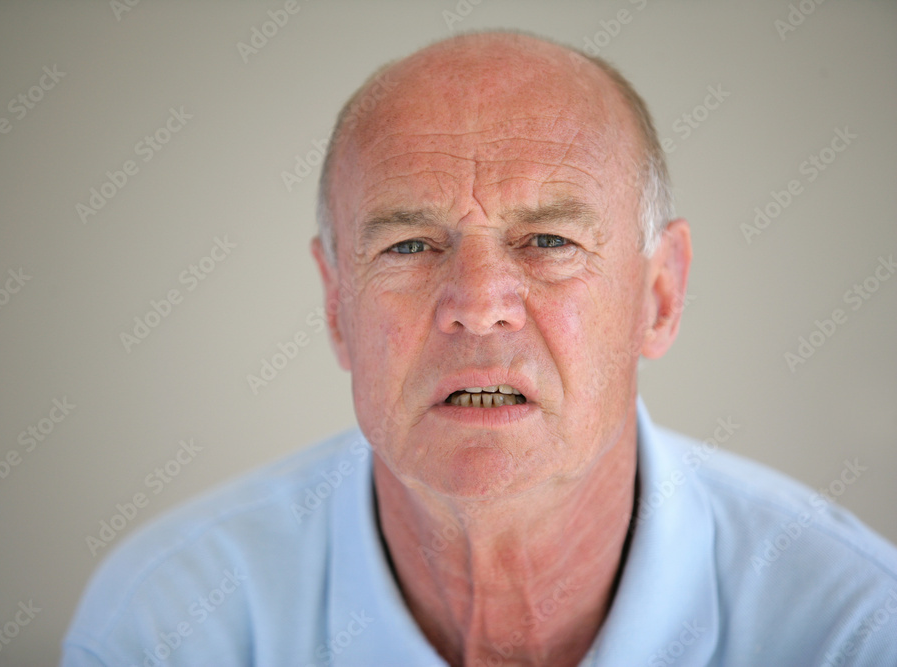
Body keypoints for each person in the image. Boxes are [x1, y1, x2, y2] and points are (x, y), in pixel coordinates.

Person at [62, 31, 897, 666]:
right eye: (410, 245)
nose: (477, 305)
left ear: (660, 295)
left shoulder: (855, 629)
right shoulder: (167, 625)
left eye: (549, 240)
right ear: (336, 304)